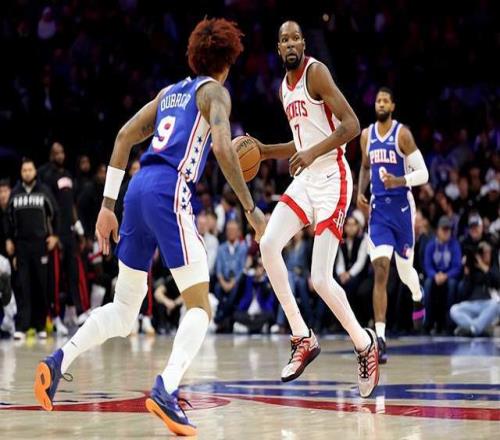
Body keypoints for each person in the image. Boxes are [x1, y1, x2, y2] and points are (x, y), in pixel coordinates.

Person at [34, 18, 266, 437]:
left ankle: (58, 361)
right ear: (228, 60)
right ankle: (166, 389)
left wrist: (108, 205)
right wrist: (251, 208)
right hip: (168, 189)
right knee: (200, 305)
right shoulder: (215, 92)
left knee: (125, 311)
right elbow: (221, 146)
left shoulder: (168, 93)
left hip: (137, 188)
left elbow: (124, 135)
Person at [255, 20, 379, 398]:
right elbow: (301, 144)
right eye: (284, 39)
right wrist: (265, 151)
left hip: (333, 179)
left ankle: (364, 344)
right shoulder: (283, 88)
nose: (291, 43)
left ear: (303, 43)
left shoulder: (316, 73)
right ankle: (302, 336)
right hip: (307, 179)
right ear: (278, 48)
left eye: (296, 37)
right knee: (268, 244)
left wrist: (311, 153)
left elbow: (352, 125)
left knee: (320, 279)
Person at [357, 87, 429, 363]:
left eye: (385, 100)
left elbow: (423, 174)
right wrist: (359, 192)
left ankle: (417, 293)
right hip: (379, 212)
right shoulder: (367, 135)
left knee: (405, 270)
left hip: (402, 210)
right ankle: (381, 338)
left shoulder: (402, 134)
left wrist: (399, 181)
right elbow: (365, 166)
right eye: (378, 100)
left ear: (393, 106)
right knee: (381, 269)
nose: (381, 103)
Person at [5, 158, 59, 340]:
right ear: (21, 173)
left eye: (30, 169)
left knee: (40, 285)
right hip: (21, 246)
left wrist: (55, 236)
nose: (27, 173)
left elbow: (56, 214)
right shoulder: (15, 194)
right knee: (23, 286)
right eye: (24, 170)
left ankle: (40, 325)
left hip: (40, 245)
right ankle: (22, 326)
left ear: (35, 171)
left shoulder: (44, 191)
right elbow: (7, 219)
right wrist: (9, 239)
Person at [450, 241, 499, 336]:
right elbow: (463, 292)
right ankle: (477, 328)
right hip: (472, 304)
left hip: (488, 304)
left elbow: (497, 281)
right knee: (454, 309)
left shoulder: (493, 268)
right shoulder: (472, 269)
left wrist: (483, 267)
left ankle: (471, 329)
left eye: (487, 252)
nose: (485, 255)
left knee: (497, 304)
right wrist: (467, 274)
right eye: (483, 252)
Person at [423, 216, 462, 333]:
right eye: (444, 229)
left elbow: (457, 266)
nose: (446, 232)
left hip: (449, 276)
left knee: (452, 285)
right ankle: (427, 323)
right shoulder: (431, 245)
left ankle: (449, 323)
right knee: (428, 284)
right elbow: (427, 265)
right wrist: (435, 275)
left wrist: (446, 275)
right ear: (438, 231)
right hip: (435, 275)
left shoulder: (455, 245)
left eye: (448, 229)